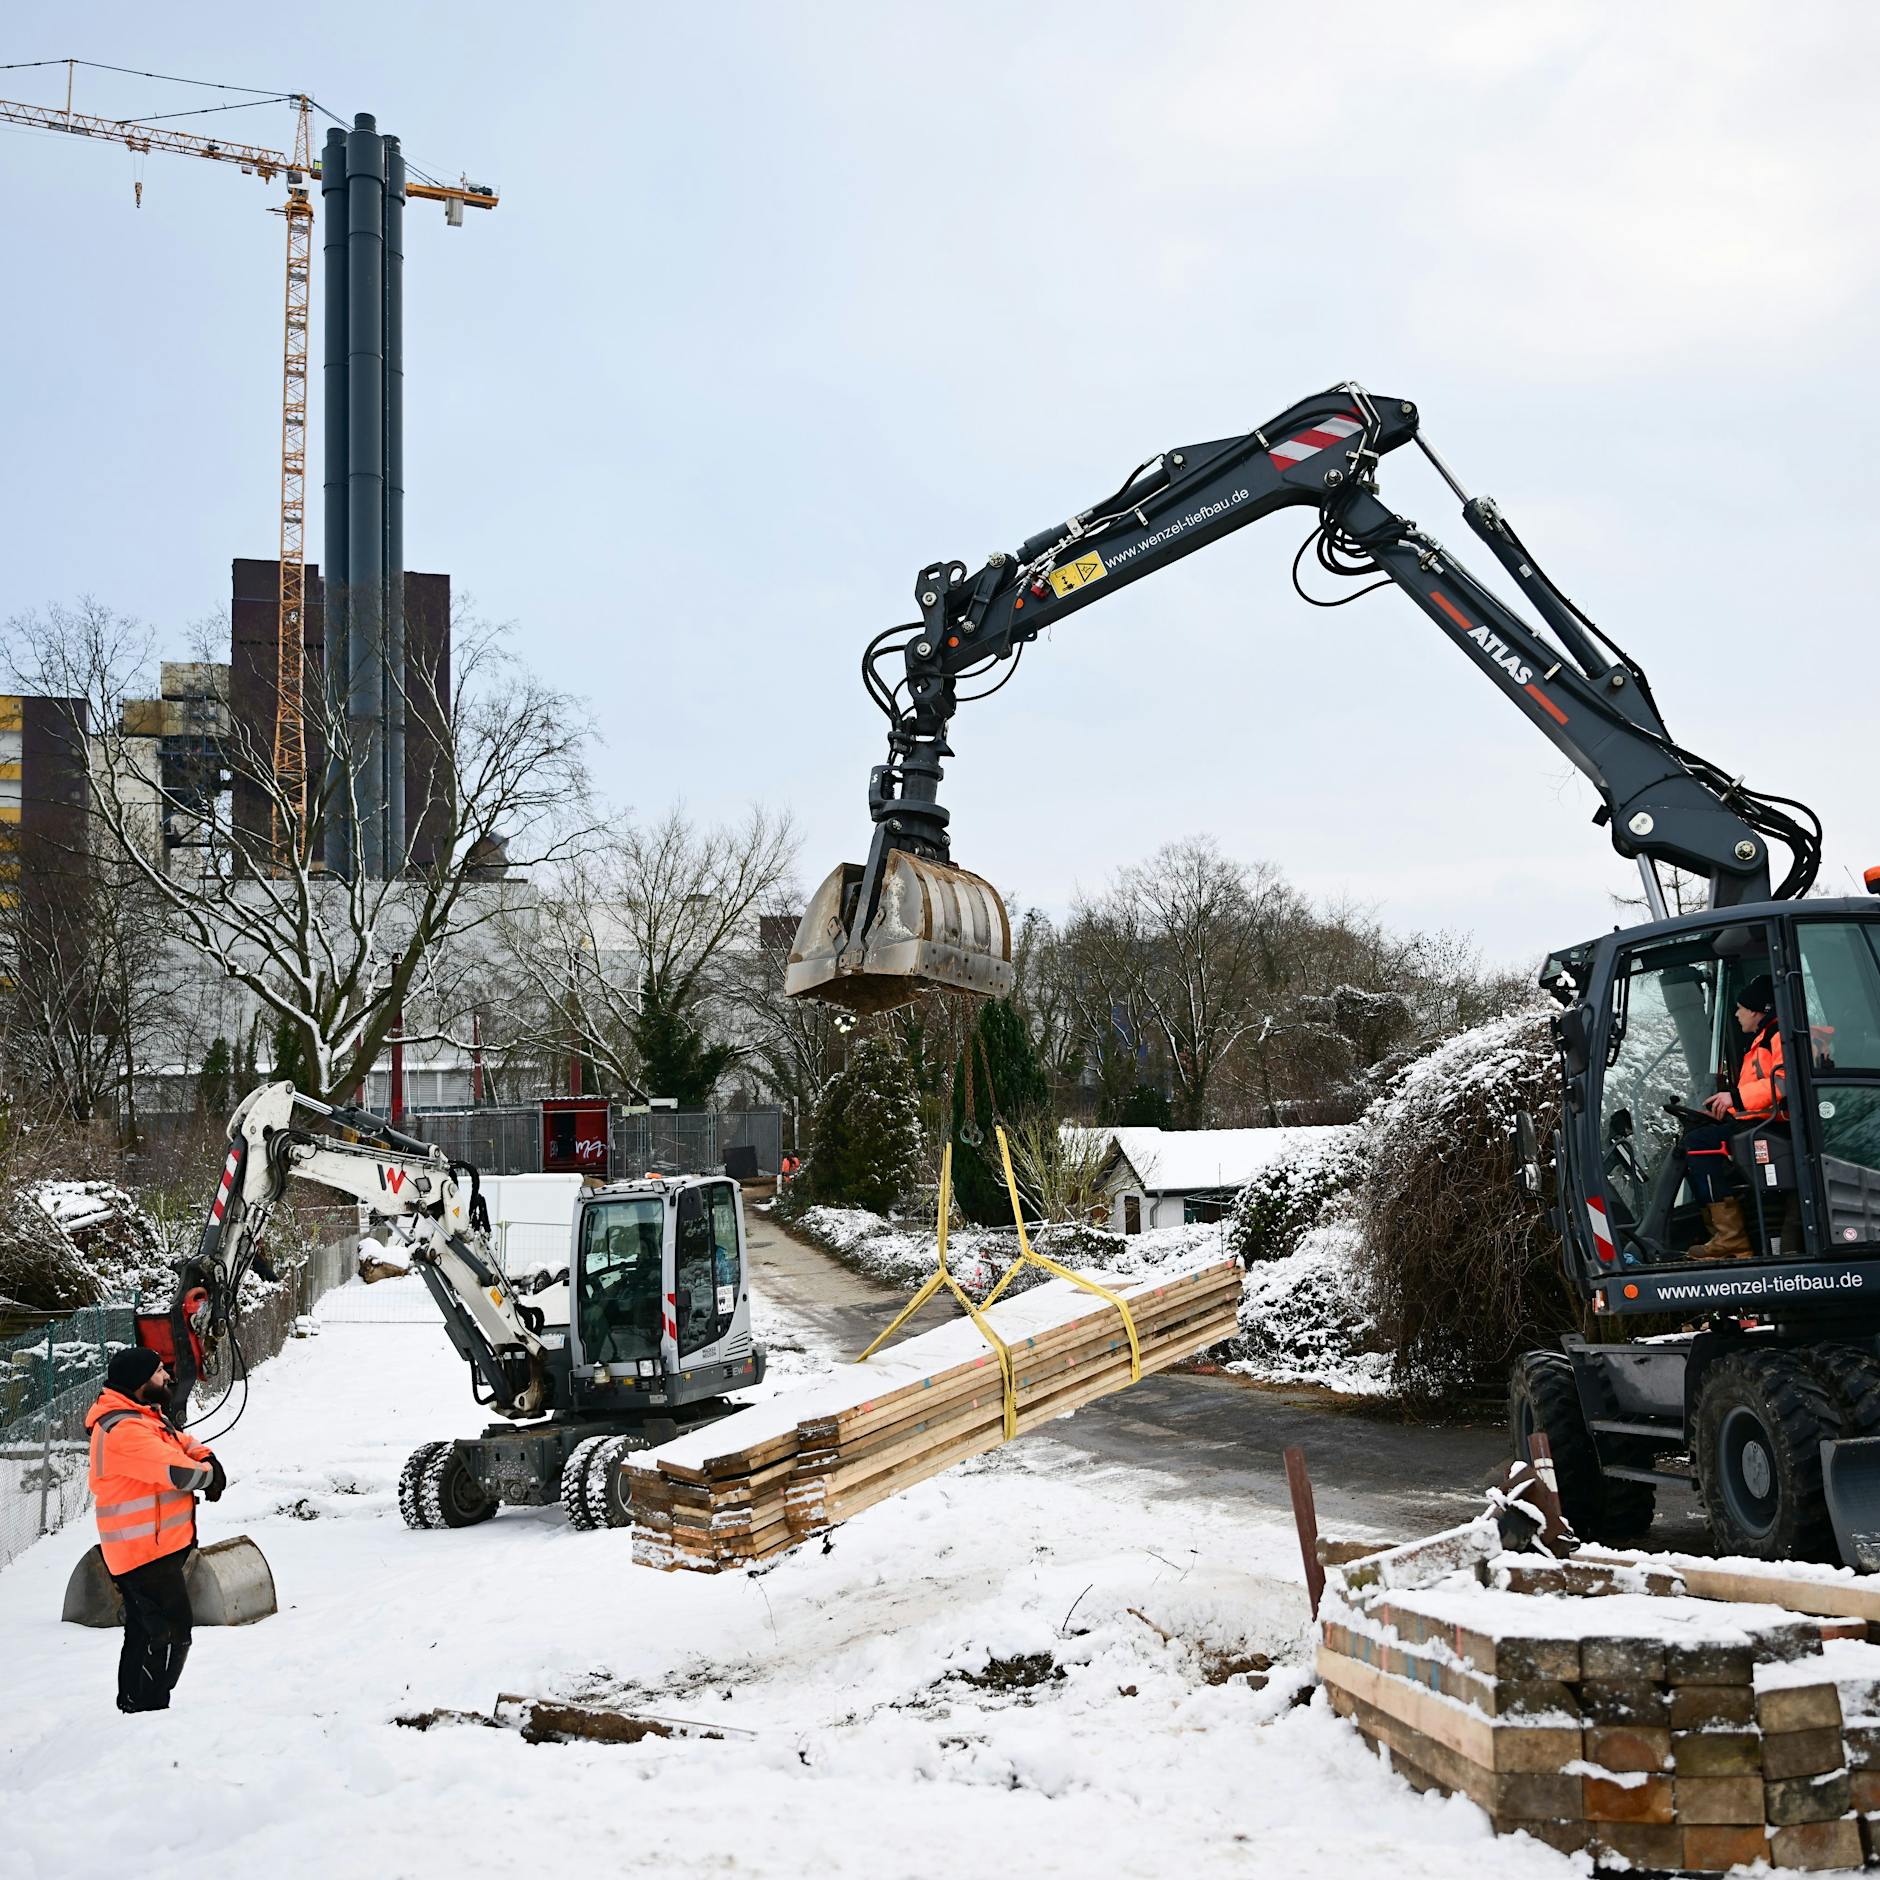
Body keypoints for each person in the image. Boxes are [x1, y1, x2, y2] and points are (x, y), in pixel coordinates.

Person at [84, 1346, 225, 1713]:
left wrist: (206, 1457)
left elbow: (183, 1444)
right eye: (160, 1371)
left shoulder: (145, 1417)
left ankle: (135, 1702)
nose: (167, 1376)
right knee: (169, 1632)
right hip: (140, 1550)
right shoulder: (124, 1431)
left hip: (155, 1546)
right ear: (139, 1381)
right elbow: (179, 1471)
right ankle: (147, 1708)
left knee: (147, 1629)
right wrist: (208, 1475)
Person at [1680, 974, 1786, 1259]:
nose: (1736, 1014)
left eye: (1740, 1007)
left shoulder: (1779, 1037)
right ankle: (1724, 1234)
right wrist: (1724, 1111)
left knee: (1701, 1145)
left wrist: (1735, 1099)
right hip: (1764, 1121)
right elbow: (1759, 1095)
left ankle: (1730, 1238)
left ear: (1755, 1010)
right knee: (1697, 1137)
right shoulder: (1764, 1040)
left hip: (1778, 1128)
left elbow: (1784, 1084)